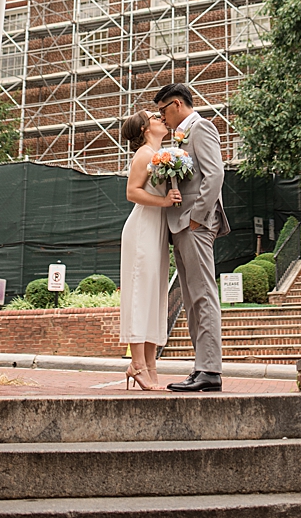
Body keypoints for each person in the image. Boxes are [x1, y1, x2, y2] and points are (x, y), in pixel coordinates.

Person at [157, 82, 229, 392]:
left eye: (163, 111)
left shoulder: (202, 127)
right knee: (190, 298)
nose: (162, 118)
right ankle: (201, 368)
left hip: (195, 225)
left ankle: (210, 371)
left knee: (203, 295)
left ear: (176, 104)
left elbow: (215, 175)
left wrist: (198, 218)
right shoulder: (179, 136)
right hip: (181, 226)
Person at [118, 110, 180, 390]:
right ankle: (137, 364)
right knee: (139, 296)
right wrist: (166, 202)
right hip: (142, 230)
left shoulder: (162, 153)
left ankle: (152, 365)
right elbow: (132, 192)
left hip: (157, 232)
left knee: (156, 298)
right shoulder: (144, 154)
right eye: (155, 117)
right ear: (145, 128)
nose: (161, 118)